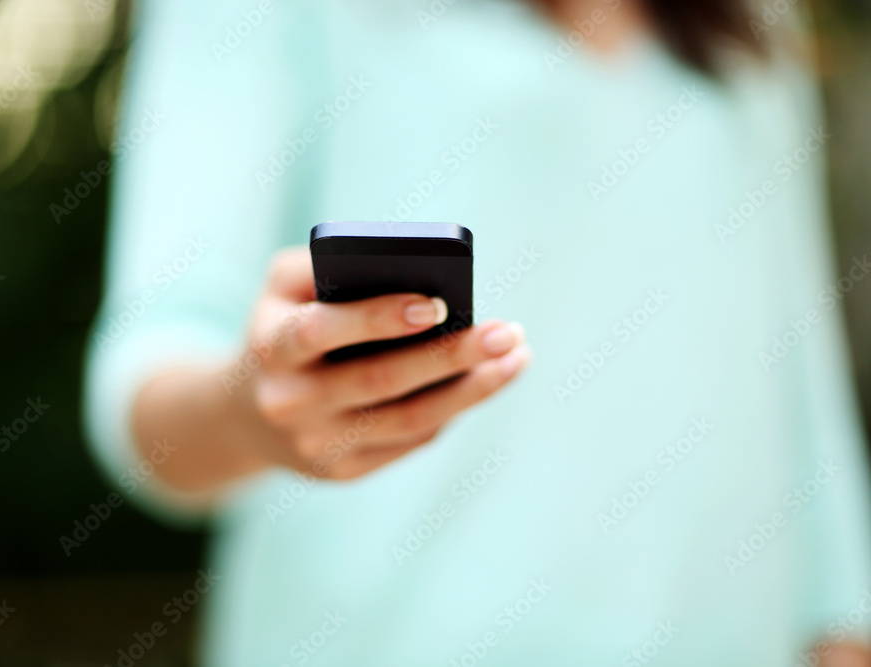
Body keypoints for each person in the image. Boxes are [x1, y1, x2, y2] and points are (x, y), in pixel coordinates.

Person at [84, 0, 871, 663]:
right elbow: (149, 387)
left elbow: (801, 374)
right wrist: (256, 411)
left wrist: (848, 626)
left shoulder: (756, 13)